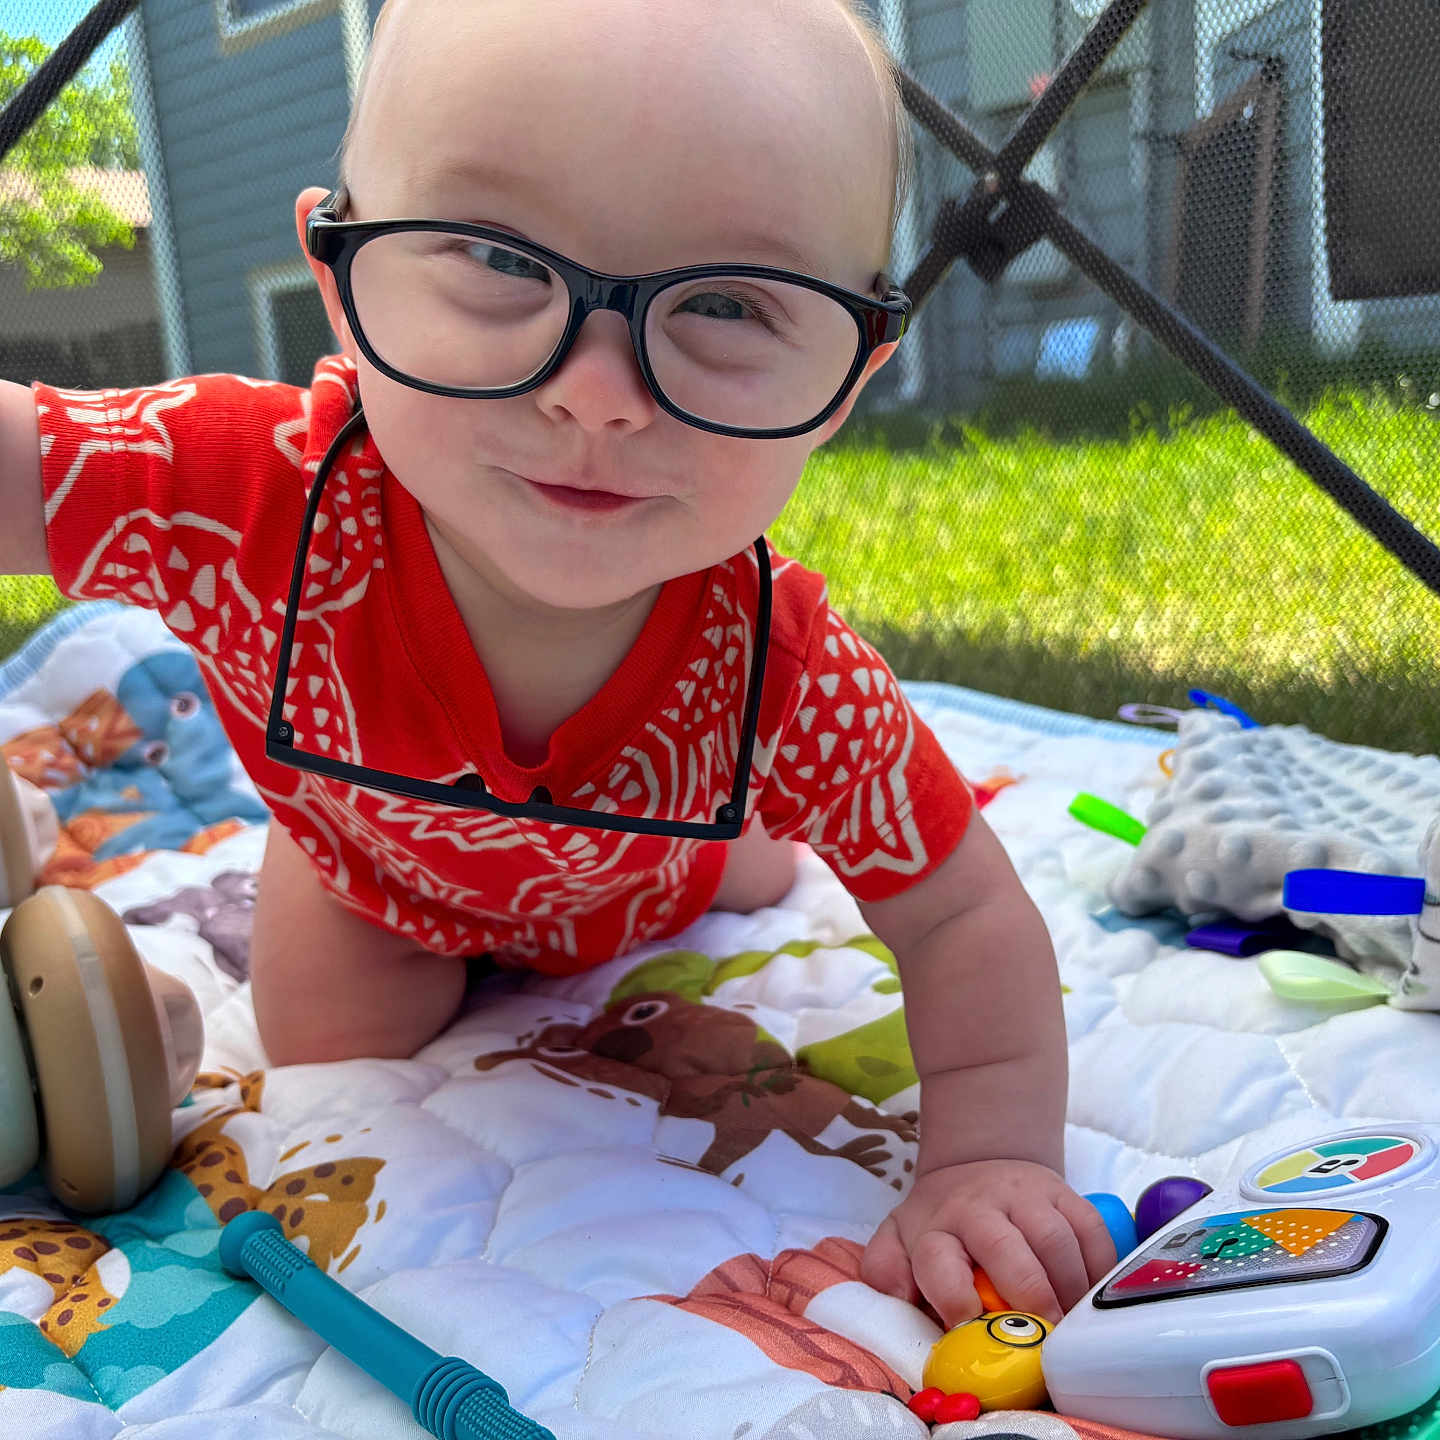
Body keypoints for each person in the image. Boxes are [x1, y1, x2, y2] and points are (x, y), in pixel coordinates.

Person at [0, 0, 1114, 1331]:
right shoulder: (235, 494)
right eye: (493, 257)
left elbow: (960, 915)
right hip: (375, 881)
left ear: (851, 374)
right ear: (341, 275)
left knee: (753, 865)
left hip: (660, 877)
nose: (596, 391)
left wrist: (989, 1154)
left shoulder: (784, 681)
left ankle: (738, 848)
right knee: (326, 1048)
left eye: (723, 302)